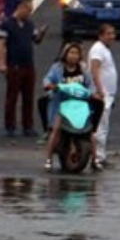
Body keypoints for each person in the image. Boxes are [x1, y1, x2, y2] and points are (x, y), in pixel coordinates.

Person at [0, 0, 46, 139]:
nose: (29, 13)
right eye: (28, 10)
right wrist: (1, 63)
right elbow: (0, 43)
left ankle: (27, 126)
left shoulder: (29, 24)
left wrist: (41, 33)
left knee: (28, 97)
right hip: (14, 65)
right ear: (20, 8)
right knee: (12, 96)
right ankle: (10, 126)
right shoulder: (6, 24)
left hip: (28, 64)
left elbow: (36, 40)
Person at [41, 42, 95, 170]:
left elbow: (90, 84)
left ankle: (95, 159)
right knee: (56, 129)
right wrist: (49, 86)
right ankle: (48, 159)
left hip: (79, 105)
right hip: (62, 105)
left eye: (76, 53)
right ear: (65, 54)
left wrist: (92, 93)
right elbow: (47, 80)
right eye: (71, 53)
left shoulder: (83, 68)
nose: (74, 56)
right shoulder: (57, 68)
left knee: (90, 132)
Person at [87, 23, 120, 169]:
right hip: (102, 95)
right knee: (100, 126)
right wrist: (100, 90)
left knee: (104, 126)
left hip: (108, 94)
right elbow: (94, 70)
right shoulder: (97, 50)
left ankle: (100, 155)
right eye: (108, 34)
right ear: (100, 35)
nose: (112, 36)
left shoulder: (104, 50)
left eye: (113, 33)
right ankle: (97, 158)